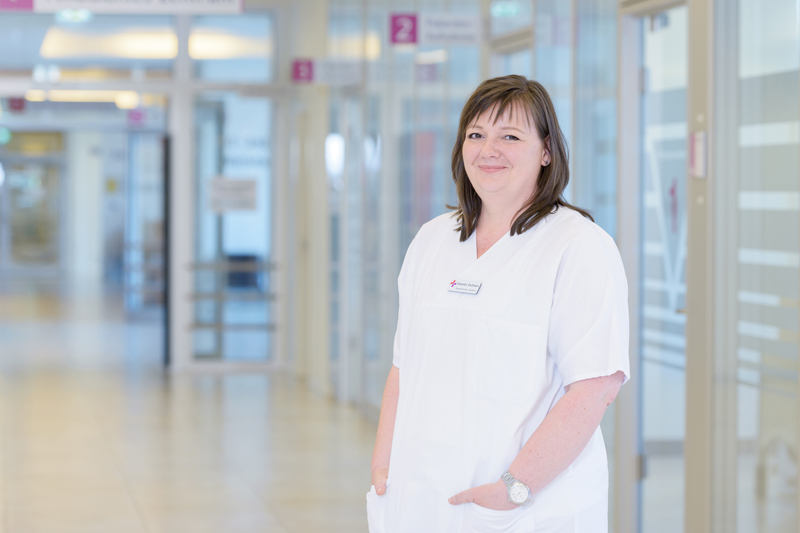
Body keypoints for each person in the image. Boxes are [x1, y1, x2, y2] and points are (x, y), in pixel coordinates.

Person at [366, 75, 630, 533]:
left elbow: (595, 387)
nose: (489, 150)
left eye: (510, 135)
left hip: (526, 509)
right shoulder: (433, 240)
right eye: (476, 134)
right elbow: (402, 367)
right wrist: (383, 464)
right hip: (421, 499)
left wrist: (515, 488)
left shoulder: (578, 246)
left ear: (546, 151)